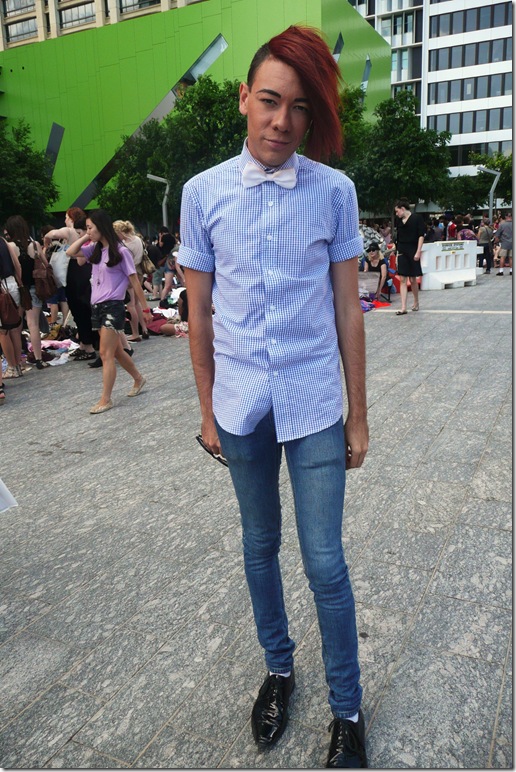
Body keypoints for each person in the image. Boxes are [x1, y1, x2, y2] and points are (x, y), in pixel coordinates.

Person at [179, 25, 368, 768]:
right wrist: (206, 412)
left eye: (299, 108)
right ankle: (279, 670)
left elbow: (349, 309)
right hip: (240, 404)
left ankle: (347, 710)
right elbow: (199, 314)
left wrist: (359, 416)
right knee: (260, 545)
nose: (282, 121)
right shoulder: (202, 195)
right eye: (269, 101)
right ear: (243, 99)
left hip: (314, 399)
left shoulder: (334, 193)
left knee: (325, 563)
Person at [67, 209, 151, 414]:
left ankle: (106, 399)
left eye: (90, 227)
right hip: (97, 306)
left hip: (113, 306)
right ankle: (138, 378)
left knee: (105, 353)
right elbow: (71, 252)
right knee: (116, 351)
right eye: (86, 228)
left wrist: (145, 308)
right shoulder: (95, 250)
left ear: (101, 227)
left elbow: (134, 281)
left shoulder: (120, 252)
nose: (87, 231)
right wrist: (87, 236)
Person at [43, 207, 98, 360]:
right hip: (84, 271)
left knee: (79, 309)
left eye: (66, 217)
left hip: (75, 272)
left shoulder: (70, 231)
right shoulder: (83, 232)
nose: (65, 220)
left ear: (72, 218)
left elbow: (51, 234)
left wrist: (46, 244)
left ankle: (88, 346)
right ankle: (84, 344)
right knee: (83, 309)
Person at [4, 215, 49, 370]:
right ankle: (39, 358)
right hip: (35, 288)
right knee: (33, 324)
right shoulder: (35, 245)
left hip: (18, 289)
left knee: (16, 326)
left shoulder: (10, 246)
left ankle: (18, 361)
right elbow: (46, 263)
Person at [113, 220, 150, 341]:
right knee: (137, 303)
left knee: (131, 305)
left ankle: (135, 333)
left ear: (119, 232)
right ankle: (144, 329)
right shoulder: (138, 239)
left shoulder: (125, 245)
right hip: (139, 272)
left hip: (129, 274)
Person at [394, 198, 425, 315]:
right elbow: (398, 238)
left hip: (413, 249)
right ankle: (403, 307)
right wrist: (396, 253)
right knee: (402, 279)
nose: (396, 214)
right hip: (402, 250)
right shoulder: (399, 221)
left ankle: (416, 301)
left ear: (403, 209)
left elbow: (421, 235)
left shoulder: (417, 218)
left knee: (412, 279)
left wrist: (418, 251)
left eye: (397, 211)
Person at [0, 234, 23, 379]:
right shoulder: (3, 240)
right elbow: (17, 265)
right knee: (14, 328)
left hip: (1, 289)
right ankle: (18, 365)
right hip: (12, 284)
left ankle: (11, 367)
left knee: (3, 332)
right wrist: (19, 283)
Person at [494, 212, 512, 276]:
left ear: (506, 217)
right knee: (511, 257)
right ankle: (511, 271)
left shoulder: (502, 225)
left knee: (502, 257)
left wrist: (496, 242)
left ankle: (501, 271)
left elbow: (497, 235)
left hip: (504, 243)